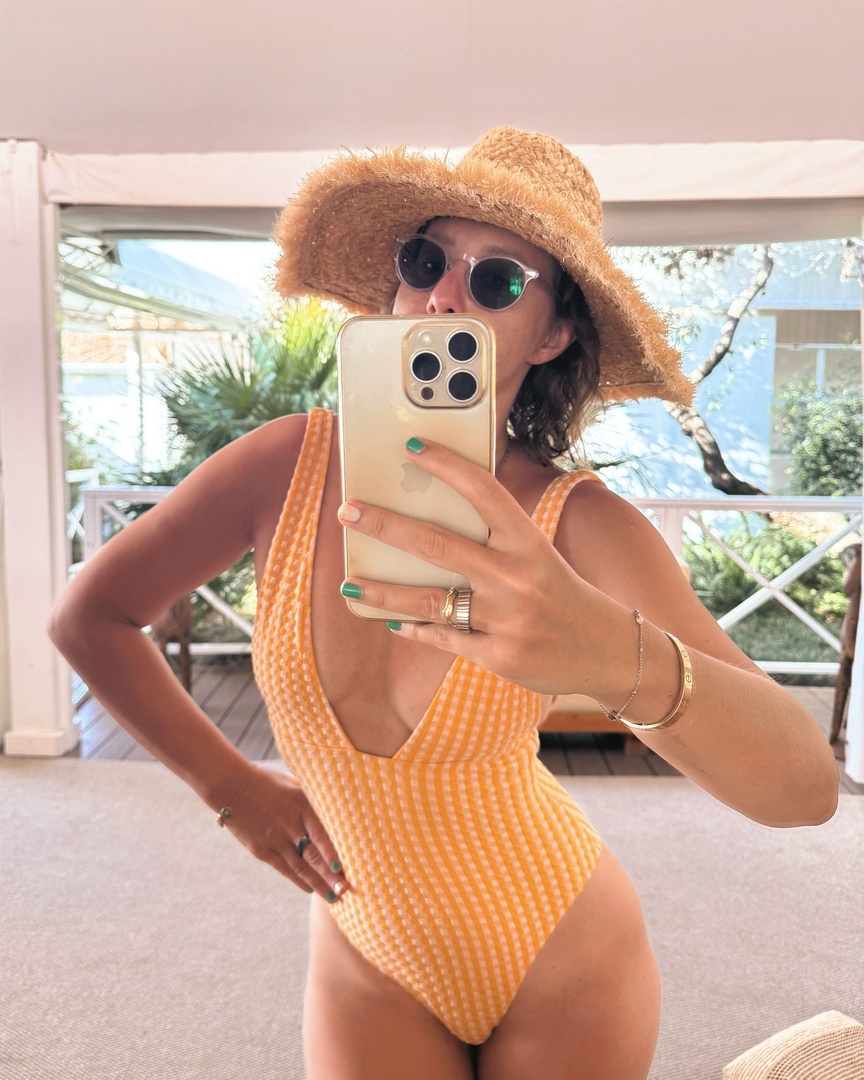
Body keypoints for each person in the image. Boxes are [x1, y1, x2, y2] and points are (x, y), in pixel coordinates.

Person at [49, 127, 839, 1080]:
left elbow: (804, 791)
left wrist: (609, 656)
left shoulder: (579, 521)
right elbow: (88, 618)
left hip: (562, 955)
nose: (444, 295)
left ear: (551, 336)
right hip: (366, 951)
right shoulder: (281, 467)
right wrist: (230, 787)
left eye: (497, 279)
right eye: (426, 260)